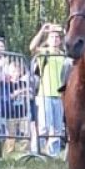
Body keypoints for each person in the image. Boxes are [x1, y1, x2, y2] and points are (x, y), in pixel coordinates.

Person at [29, 22, 68, 157]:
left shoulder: (64, 54)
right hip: (45, 93)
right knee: (44, 126)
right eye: (52, 37)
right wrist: (42, 31)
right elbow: (32, 47)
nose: (55, 39)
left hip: (60, 95)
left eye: (57, 37)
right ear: (48, 39)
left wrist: (65, 30)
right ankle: (36, 151)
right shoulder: (44, 52)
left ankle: (53, 153)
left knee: (57, 127)